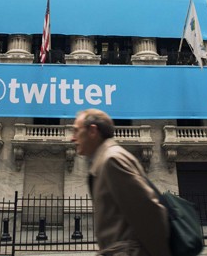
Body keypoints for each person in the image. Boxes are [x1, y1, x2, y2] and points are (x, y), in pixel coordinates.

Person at [71, 109, 171, 256]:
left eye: (76, 131)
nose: (72, 138)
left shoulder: (112, 160)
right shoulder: (103, 160)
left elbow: (149, 214)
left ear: (92, 131)